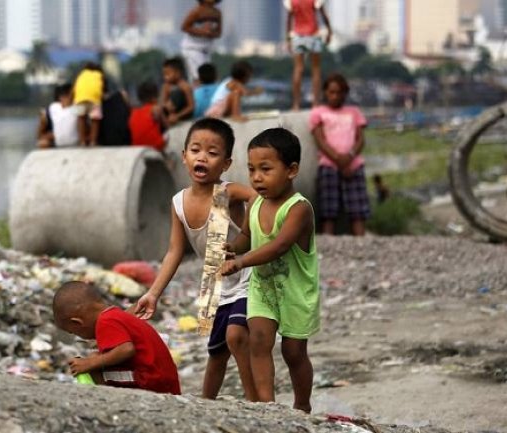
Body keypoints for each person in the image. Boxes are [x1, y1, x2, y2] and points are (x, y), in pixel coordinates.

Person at [134, 118, 257, 402]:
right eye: (195, 150)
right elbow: (175, 251)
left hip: (249, 279)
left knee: (237, 337)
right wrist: (153, 294)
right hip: (214, 287)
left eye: (213, 153)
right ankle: (205, 404)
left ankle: (257, 404)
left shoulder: (227, 193)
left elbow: (261, 198)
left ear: (225, 164)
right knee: (216, 352)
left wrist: (248, 233)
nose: (203, 157)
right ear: (184, 157)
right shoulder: (178, 202)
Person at [220, 127, 320, 412]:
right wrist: (232, 248)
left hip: (296, 292)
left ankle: (302, 406)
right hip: (262, 288)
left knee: (293, 352)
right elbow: (247, 238)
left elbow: (277, 246)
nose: (256, 177)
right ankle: (268, 406)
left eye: (266, 169)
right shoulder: (256, 204)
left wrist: (241, 261)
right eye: (251, 169)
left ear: (291, 170)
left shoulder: (298, 208)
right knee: (259, 341)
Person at [53, 281, 181, 395]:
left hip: (152, 381)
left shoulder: (105, 321)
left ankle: (107, 401)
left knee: (94, 368)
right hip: (164, 379)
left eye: (74, 332)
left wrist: (89, 363)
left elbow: (126, 349)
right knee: (96, 359)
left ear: (78, 322)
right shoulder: (115, 315)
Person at [310, 73, 370, 235]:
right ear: (325, 93)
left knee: (358, 209)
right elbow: (320, 140)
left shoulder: (354, 112)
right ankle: (329, 243)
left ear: (345, 93)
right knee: (329, 210)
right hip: (329, 165)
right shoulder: (318, 112)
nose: (335, 96)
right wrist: (338, 159)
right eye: (331, 92)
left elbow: (360, 140)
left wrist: (349, 157)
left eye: (339, 92)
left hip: (354, 165)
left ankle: (361, 241)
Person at [284, 0, 332, 110]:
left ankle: (296, 104)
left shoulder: (291, 1)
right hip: (313, 34)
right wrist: (329, 31)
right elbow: (324, 16)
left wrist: (288, 38)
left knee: (298, 69)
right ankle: (315, 103)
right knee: (315, 70)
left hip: (297, 36)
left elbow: (289, 20)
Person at [180, 0, 222, 84]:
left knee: (208, 78)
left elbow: (219, 33)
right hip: (193, 49)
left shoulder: (217, 13)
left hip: (206, 50)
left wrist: (211, 33)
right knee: (198, 77)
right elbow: (184, 27)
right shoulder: (196, 12)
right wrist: (202, 32)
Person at [36, 83, 78, 149]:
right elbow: (40, 135)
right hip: (58, 141)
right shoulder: (53, 108)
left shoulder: (77, 107)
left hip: (76, 142)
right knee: (43, 142)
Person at [129, 81, 167, 152]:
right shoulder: (155, 108)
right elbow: (167, 126)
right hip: (155, 147)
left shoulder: (133, 112)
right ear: (154, 97)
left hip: (137, 148)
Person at [73, 62, 105, 146]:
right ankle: (93, 141)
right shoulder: (99, 75)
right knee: (95, 120)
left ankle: (82, 141)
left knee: (81, 119)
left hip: (80, 99)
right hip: (94, 99)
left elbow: (75, 88)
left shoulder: (81, 75)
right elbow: (101, 88)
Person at [161, 57, 195, 126]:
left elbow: (191, 107)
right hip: (171, 119)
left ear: (177, 73)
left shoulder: (185, 87)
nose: (165, 77)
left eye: (168, 74)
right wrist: (166, 106)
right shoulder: (166, 87)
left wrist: (177, 116)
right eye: (164, 74)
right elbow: (163, 103)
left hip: (184, 119)